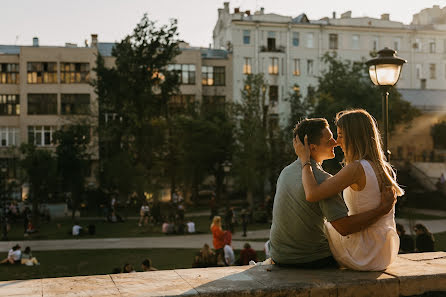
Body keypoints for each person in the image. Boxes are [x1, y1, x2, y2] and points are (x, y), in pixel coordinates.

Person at [269, 117, 396, 270]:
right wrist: (381, 210)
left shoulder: (285, 172)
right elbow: (343, 227)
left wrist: (305, 159)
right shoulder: (322, 178)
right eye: (330, 139)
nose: (335, 142)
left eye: (339, 135)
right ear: (313, 148)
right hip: (311, 259)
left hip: (278, 255)